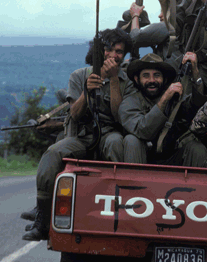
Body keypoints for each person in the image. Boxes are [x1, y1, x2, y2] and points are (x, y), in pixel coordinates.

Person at [22, 29, 133, 240]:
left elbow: (121, 117)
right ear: (98, 51)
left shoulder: (128, 81)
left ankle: (119, 207)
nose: (113, 55)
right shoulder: (79, 75)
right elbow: (74, 113)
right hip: (83, 136)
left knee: (117, 143)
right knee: (53, 153)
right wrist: (88, 90)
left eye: (119, 51)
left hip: (111, 134)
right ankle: (43, 218)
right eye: (108, 49)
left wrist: (114, 80)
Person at [119, 53, 207, 166]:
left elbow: (196, 108)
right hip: (142, 160)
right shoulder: (129, 102)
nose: (152, 80)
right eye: (146, 75)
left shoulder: (175, 98)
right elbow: (143, 130)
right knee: (131, 140)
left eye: (157, 75)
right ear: (137, 79)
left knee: (196, 148)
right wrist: (165, 98)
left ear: (164, 79)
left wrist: (195, 72)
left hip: (172, 159)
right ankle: (134, 183)